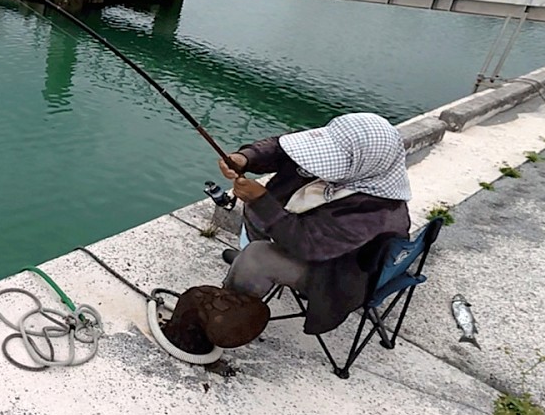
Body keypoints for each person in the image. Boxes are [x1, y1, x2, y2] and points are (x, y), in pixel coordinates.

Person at [162, 113, 412, 353]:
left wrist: (261, 200)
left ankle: (232, 309)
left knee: (257, 257)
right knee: (258, 229)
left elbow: (306, 244)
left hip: (333, 272)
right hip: (318, 246)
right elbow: (283, 149)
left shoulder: (375, 211)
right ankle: (244, 266)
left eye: (334, 159)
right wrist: (246, 158)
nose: (323, 161)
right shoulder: (363, 168)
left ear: (361, 164)